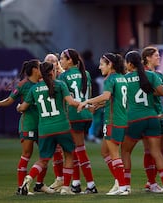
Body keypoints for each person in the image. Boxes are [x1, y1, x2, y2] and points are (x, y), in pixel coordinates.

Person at [0, 60, 54, 195]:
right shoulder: (23, 85)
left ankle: (39, 184)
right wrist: (0, 103)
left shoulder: (43, 82)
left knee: (45, 155)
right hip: (29, 124)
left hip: (43, 124)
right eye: (39, 66)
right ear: (35, 69)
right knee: (26, 155)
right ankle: (21, 188)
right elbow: (10, 99)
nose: (42, 67)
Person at [16, 62, 80, 195]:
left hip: (44, 129)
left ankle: (28, 178)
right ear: (52, 72)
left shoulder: (34, 89)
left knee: (43, 159)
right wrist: (85, 104)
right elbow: (72, 102)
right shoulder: (60, 85)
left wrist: (18, 107)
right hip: (62, 127)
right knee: (69, 155)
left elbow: (23, 107)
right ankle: (66, 188)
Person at [77, 53, 128, 195]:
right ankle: (119, 182)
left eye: (102, 64)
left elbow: (106, 96)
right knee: (105, 152)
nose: (99, 67)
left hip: (113, 121)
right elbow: (112, 99)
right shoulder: (121, 78)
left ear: (110, 64)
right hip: (120, 119)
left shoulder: (110, 79)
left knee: (113, 154)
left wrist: (87, 101)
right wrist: (98, 105)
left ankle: (123, 187)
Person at [121, 51, 163, 194]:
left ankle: (126, 187)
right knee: (156, 153)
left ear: (130, 64)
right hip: (152, 118)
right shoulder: (151, 75)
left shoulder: (124, 79)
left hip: (134, 119)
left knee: (125, 151)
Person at [59, 48, 97, 194]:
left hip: (75, 114)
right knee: (75, 149)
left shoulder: (64, 76)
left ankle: (90, 185)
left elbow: (63, 98)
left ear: (70, 60)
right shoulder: (85, 73)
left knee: (76, 150)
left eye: (62, 58)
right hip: (87, 114)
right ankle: (76, 183)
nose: (61, 61)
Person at [141, 46, 163, 192]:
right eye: (156, 55)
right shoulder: (143, 74)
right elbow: (161, 92)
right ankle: (151, 182)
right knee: (149, 150)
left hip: (159, 114)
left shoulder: (158, 74)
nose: (159, 57)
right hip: (148, 116)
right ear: (148, 58)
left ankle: (151, 180)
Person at [44, 53, 65, 192]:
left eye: (55, 60)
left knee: (68, 150)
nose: (52, 63)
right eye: (49, 61)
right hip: (48, 119)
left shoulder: (62, 78)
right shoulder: (41, 79)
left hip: (63, 118)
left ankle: (69, 181)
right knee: (55, 151)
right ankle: (60, 178)